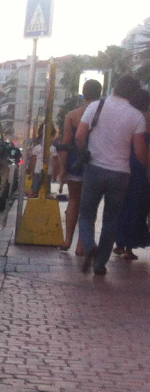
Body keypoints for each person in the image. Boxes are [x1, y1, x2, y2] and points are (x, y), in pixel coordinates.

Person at [76, 74, 150, 274]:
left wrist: (85, 152)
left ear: (115, 87)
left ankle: (90, 246)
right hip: (120, 174)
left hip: (94, 169)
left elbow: (80, 136)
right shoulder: (136, 117)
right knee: (111, 219)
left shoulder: (95, 107)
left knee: (86, 214)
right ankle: (100, 265)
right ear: (133, 94)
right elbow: (140, 151)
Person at [59, 80, 103, 252]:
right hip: (96, 162)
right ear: (100, 93)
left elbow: (65, 143)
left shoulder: (72, 115)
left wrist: (62, 168)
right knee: (90, 205)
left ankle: (67, 240)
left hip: (75, 162)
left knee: (74, 200)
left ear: (83, 93)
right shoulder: (104, 114)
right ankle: (82, 244)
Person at [113, 86, 150, 259]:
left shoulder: (129, 116)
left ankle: (119, 243)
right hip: (142, 165)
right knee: (137, 206)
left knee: (121, 203)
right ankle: (129, 247)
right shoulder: (147, 119)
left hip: (124, 161)